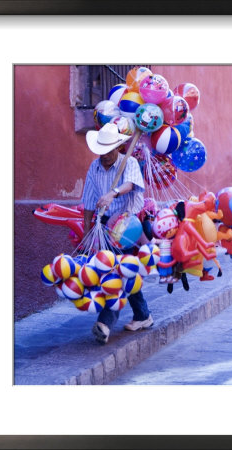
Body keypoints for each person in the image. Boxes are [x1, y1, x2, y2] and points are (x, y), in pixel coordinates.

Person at [82, 123, 153, 344]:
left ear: (117, 148)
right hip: (104, 228)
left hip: (126, 226)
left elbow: (131, 185)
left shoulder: (128, 162)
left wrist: (112, 193)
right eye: (100, 150)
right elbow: (88, 203)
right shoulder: (94, 168)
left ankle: (105, 323)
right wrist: (87, 233)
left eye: (108, 150)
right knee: (122, 272)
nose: (104, 155)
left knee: (117, 273)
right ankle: (143, 315)